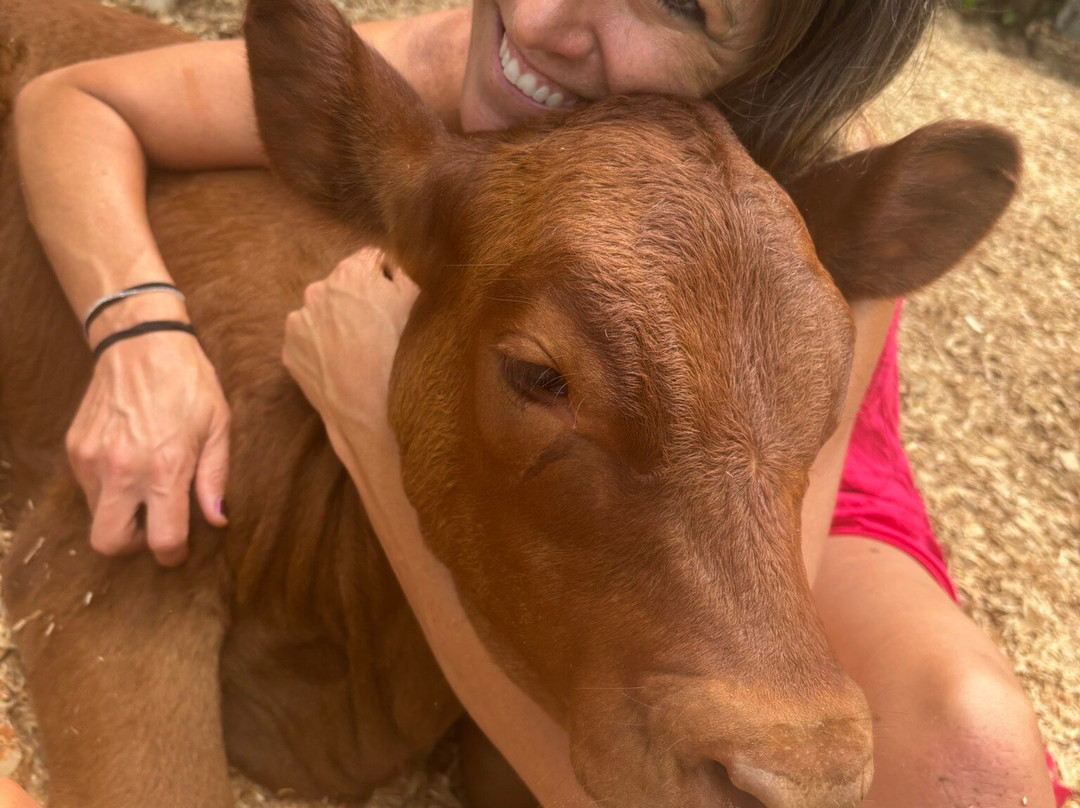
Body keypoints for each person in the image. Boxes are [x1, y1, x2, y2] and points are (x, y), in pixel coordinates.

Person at [10, 0, 1069, 805]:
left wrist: (376, 431)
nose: (552, 21)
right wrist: (139, 329)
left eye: (683, 3)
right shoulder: (466, 82)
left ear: (772, 68)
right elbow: (74, 95)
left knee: (972, 752)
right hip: (636, 406)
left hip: (772, 431)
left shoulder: (819, 240)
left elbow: (725, 669)